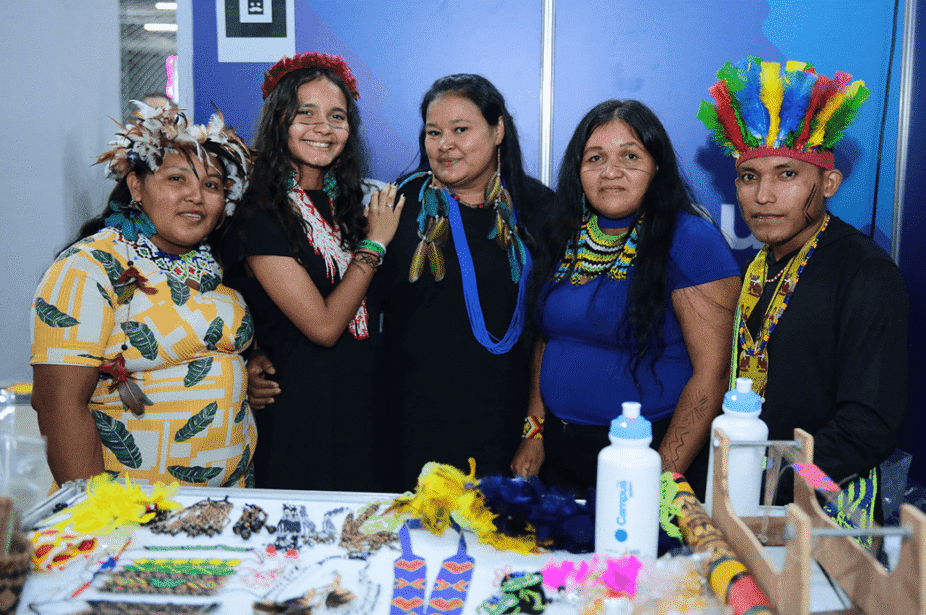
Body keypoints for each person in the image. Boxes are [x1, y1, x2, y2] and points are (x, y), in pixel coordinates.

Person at [698, 57, 908, 526]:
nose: (763, 196)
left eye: (787, 175)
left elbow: (868, 427)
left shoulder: (865, 272)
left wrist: (780, 482)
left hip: (825, 512)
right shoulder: (759, 265)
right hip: (747, 496)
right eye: (749, 177)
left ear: (828, 183)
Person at [510, 100, 740, 497]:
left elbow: (713, 374)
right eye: (595, 158)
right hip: (558, 458)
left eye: (630, 156)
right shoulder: (563, 234)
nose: (610, 171)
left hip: (647, 453)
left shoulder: (690, 241)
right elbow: (548, 340)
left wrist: (662, 481)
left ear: (657, 166)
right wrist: (534, 431)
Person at [31, 103, 254, 487]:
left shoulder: (216, 262)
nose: (196, 196)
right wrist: (100, 513)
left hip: (230, 504)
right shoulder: (89, 266)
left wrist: (249, 367)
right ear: (136, 186)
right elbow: (58, 405)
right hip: (132, 508)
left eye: (212, 185)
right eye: (177, 179)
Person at [220, 52, 403, 491]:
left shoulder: (356, 208)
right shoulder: (260, 215)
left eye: (337, 116)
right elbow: (323, 327)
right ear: (279, 120)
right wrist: (374, 246)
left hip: (363, 409)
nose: (323, 127)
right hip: (299, 416)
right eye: (306, 113)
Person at [378, 74, 555, 491]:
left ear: (498, 130)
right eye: (433, 132)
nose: (445, 145)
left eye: (460, 130)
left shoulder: (540, 209)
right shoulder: (398, 206)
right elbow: (355, 312)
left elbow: (552, 331)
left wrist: (535, 428)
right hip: (409, 426)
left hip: (507, 427)